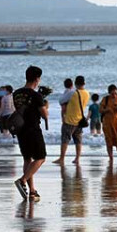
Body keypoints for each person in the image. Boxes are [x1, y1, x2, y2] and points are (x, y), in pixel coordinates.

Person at [12, 66, 49, 201]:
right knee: (41, 158)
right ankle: (22, 181)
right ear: (37, 78)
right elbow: (44, 115)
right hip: (33, 129)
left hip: (21, 129)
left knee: (27, 159)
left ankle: (32, 191)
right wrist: (44, 103)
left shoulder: (16, 93)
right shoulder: (36, 95)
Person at [54, 76, 89, 165]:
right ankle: (77, 158)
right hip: (80, 120)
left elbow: (61, 100)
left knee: (65, 139)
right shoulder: (87, 93)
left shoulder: (73, 93)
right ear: (84, 83)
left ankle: (62, 158)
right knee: (78, 140)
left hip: (70, 120)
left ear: (75, 83)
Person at [99, 84, 117, 164]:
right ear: (109, 93)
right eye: (112, 94)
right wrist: (106, 109)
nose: (114, 95)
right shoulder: (106, 99)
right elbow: (100, 110)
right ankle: (110, 158)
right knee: (109, 141)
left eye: (116, 93)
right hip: (107, 123)